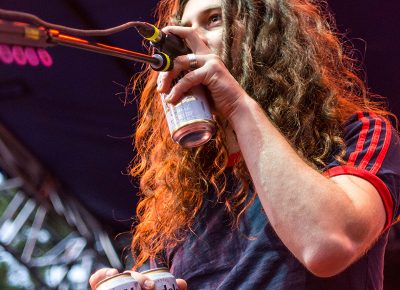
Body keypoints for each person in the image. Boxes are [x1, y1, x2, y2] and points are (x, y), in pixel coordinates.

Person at [90, 0, 400, 289]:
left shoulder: (357, 133)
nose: (190, 40)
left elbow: (327, 245)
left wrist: (238, 105)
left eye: (213, 20)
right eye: (184, 28)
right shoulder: (179, 198)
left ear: (266, 36)